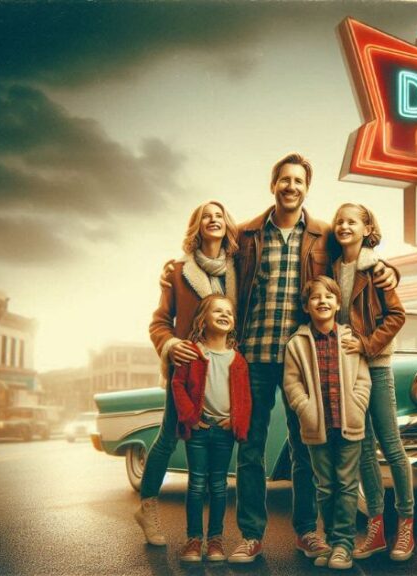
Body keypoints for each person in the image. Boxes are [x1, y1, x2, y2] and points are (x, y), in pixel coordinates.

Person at [161, 153, 398, 563]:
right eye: (284, 180)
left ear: (307, 188)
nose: (291, 187)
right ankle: (251, 536)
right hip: (251, 356)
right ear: (274, 185)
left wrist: (389, 269)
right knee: (251, 450)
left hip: (300, 357)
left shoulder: (323, 235)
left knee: (305, 447)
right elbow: (208, 253)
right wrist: (174, 268)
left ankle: (307, 532)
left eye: (299, 181)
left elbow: (357, 255)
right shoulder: (247, 233)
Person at [138, 200, 238, 546]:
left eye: (219, 215)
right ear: (196, 226)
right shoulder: (178, 270)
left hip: (225, 365)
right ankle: (148, 507)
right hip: (189, 367)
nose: (213, 220)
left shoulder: (237, 268)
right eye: (205, 216)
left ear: (227, 224)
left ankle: (213, 537)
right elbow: (159, 321)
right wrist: (170, 345)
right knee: (168, 436)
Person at [327, 203, 415, 561]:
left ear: (367, 228)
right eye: (339, 221)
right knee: (362, 448)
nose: (343, 226)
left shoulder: (375, 268)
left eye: (352, 221)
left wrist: (366, 345)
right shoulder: (333, 267)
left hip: (375, 364)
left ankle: (406, 525)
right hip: (348, 369)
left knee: (391, 445)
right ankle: (376, 529)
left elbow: (397, 315)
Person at [282, 276, 371, 570]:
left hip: (349, 423)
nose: (322, 301)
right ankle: (332, 542)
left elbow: (363, 380)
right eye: (315, 297)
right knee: (325, 486)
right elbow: (291, 383)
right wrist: (305, 408)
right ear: (306, 307)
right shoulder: (297, 343)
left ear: (337, 303)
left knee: (346, 484)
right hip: (316, 427)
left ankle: (344, 545)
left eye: (329, 296)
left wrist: (357, 406)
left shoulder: (349, 338)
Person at [169, 294, 252, 563]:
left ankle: (215, 540)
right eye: (217, 310)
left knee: (218, 486)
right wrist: (190, 418)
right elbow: (177, 385)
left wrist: (237, 421)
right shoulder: (192, 353)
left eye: (229, 311)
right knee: (196, 485)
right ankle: (193, 540)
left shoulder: (237, 360)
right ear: (203, 320)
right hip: (199, 430)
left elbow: (245, 397)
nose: (224, 314)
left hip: (224, 432)